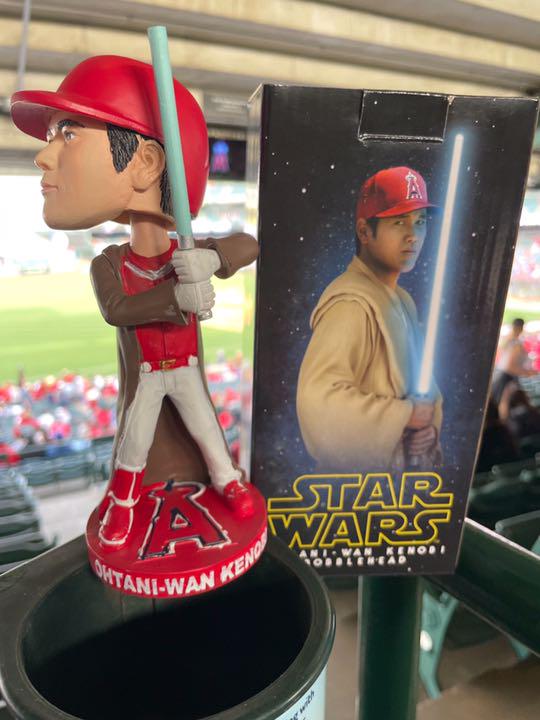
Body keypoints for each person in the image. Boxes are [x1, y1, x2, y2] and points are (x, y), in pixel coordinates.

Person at [11, 55, 258, 547]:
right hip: (148, 373)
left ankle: (228, 482)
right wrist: (177, 294)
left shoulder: (187, 251)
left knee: (207, 430)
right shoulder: (110, 263)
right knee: (134, 440)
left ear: (146, 162)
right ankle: (123, 504)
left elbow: (248, 245)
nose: (43, 156)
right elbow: (119, 311)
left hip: (185, 368)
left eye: (69, 133)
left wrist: (211, 260)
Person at [297, 166, 442, 471]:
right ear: (364, 232)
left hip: (397, 481)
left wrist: (427, 431)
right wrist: (404, 416)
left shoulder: (402, 300)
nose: (413, 236)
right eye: (399, 222)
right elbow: (317, 403)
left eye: (420, 222)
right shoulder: (351, 304)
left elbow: (423, 393)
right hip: (355, 489)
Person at [492, 318, 535, 414]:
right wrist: (528, 372)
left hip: (502, 376)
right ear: (521, 328)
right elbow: (509, 367)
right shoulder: (515, 343)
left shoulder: (509, 340)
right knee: (504, 407)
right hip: (506, 379)